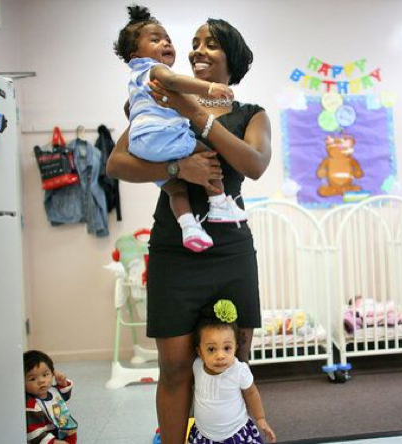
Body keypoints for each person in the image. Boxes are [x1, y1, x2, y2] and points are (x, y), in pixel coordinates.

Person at [106, 16, 272, 444]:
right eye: (194, 43)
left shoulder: (251, 114)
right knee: (176, 369)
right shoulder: (159, 98)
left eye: (210, 44)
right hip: (175, 250)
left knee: (232, 364)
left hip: (231, 251)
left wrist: (194, 112)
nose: (197, 50)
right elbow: (116, 163)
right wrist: (180, 168)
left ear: (231, 57)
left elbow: (253, 165)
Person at [114, 5, 247, 253]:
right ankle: (218, 203)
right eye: (156, 39)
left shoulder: (138, 82)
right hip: (162, 138)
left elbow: (129, 109)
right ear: (136, 55)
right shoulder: (156, 72)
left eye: (168, 39)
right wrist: (208, 88)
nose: (166, 43)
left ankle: (189, 226)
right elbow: (174, 80)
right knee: (207, 153)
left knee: (175, 188)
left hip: (142, 145)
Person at [189, 300, 276, 443]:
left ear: (235, 347)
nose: (220, 355)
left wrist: (260, 418)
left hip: (236, 433)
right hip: (204, 435)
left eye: (227, 348)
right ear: (200, 352)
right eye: (211, 349)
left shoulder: (239, 370)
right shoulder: (197, 366)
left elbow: (251, 392)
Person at [24, 350, 78, 444]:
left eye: (45, 375)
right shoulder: (31, 405)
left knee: (72, 434)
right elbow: (35, 433)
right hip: (47, 438)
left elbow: (64, 396)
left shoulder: (53, 391)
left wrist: (63, 383)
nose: (41, 381)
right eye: (32, 378)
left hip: (64, 429)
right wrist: (54, 442)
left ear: (53, 373)